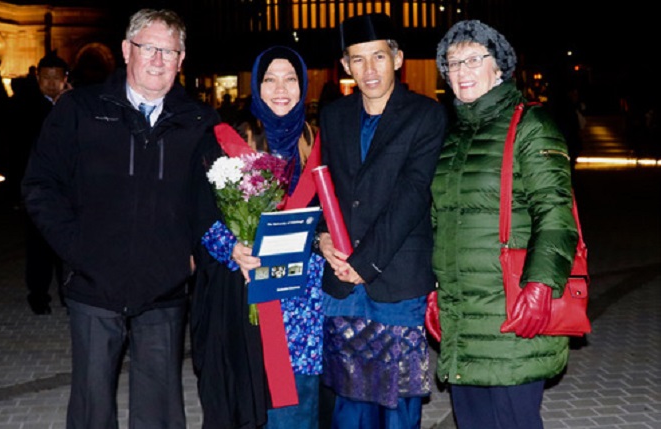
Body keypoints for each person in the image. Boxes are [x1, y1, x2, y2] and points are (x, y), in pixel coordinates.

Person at [21, 9, 220, 428]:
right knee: (92, 406)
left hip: (163, 288)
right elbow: (40, 185)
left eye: (170, 51)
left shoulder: (200, 122)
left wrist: (193, 254)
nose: (158, 59)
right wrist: (78, 250)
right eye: (149, 47)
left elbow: (213, 200)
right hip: (94, 284)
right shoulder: (81, 109)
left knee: (160, 411)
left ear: (182, 60)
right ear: (127, 50)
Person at [427, 20, 579, 429]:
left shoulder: (531, 126)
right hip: (462, 314)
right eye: (452, 63)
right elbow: (440, 219)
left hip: (512, 310)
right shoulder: (453, 138)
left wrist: (541, 286)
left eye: (474, 59)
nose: (462, 71)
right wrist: (436, 289)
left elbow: (556, 215)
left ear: (500, 67)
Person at [315, 13, 447, 429]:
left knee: (396, 401)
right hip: (341, 281)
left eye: (377, 57)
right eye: (357, 59)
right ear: (345, 66)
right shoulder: (334, 116)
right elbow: (328, 187)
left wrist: (363, 262)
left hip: (395, 277)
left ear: (397, 58)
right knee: (349, 400)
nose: (368, 69)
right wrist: (321, 237)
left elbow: (412, 196)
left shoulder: (426, 116)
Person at [191, 45, 325, 429]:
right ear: (256, 85)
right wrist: (232, 247)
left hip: (304, 303)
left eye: (290, 79)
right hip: (245, 291)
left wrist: (323, 240)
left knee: (299, 405)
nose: (280, 89)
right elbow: (200, 210)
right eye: (270, 79)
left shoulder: (316, 141)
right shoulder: (229, 139)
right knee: (247, 398)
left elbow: (334, 213)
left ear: (303, 86)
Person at [11, 52, 70, 315]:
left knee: (68, 245)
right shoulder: (24, 106)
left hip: (69, 189)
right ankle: (38, 295)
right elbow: (14, 148)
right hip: (38, 186)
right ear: (37, 78)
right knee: (39, 246)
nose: (50, 83)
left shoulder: (74, 105)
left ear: (65, 79)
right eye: (45, 77)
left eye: (56, 78)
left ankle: (69, 295)